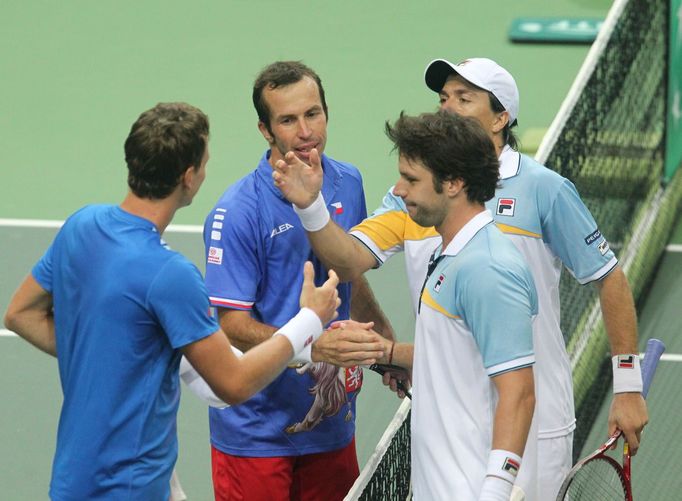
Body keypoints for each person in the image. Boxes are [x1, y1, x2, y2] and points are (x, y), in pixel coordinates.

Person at [272, 57, 648, 500]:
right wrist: (311, 207)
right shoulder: (419, 196)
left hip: (532, 418)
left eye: (464, 99)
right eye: (443, 98)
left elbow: (609, 277)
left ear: (501, 118)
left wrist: (627, 386)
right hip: (448, 417)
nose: (447, 108)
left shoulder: (544, 191)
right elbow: (349, 260)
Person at [3, 102, 343, 501]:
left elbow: (20, 313)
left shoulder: (82, 226)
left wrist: (121, 360)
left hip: (73, 483)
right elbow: (232, 384)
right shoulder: (170, 275)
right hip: (131, 490)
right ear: (189, 177)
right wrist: (309, 321)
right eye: (204, 162)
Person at [281, 110, 538, 500]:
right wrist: (386, 352)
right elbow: (456, 359)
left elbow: (518, 392)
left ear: (453, 184)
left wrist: (496, 491)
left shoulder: (489, 268)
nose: (398, 190)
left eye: (411, 179)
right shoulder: (451, 255)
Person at [203, 61, 392, 501]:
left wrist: (384, 345)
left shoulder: (348, 182)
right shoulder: (238, 211)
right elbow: (232, 326)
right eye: (288, 120)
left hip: (330, 423)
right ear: (265, 131)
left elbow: (349, 275)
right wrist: (311, 345)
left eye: (313, 114)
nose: (306, 131)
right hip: (256, 434)